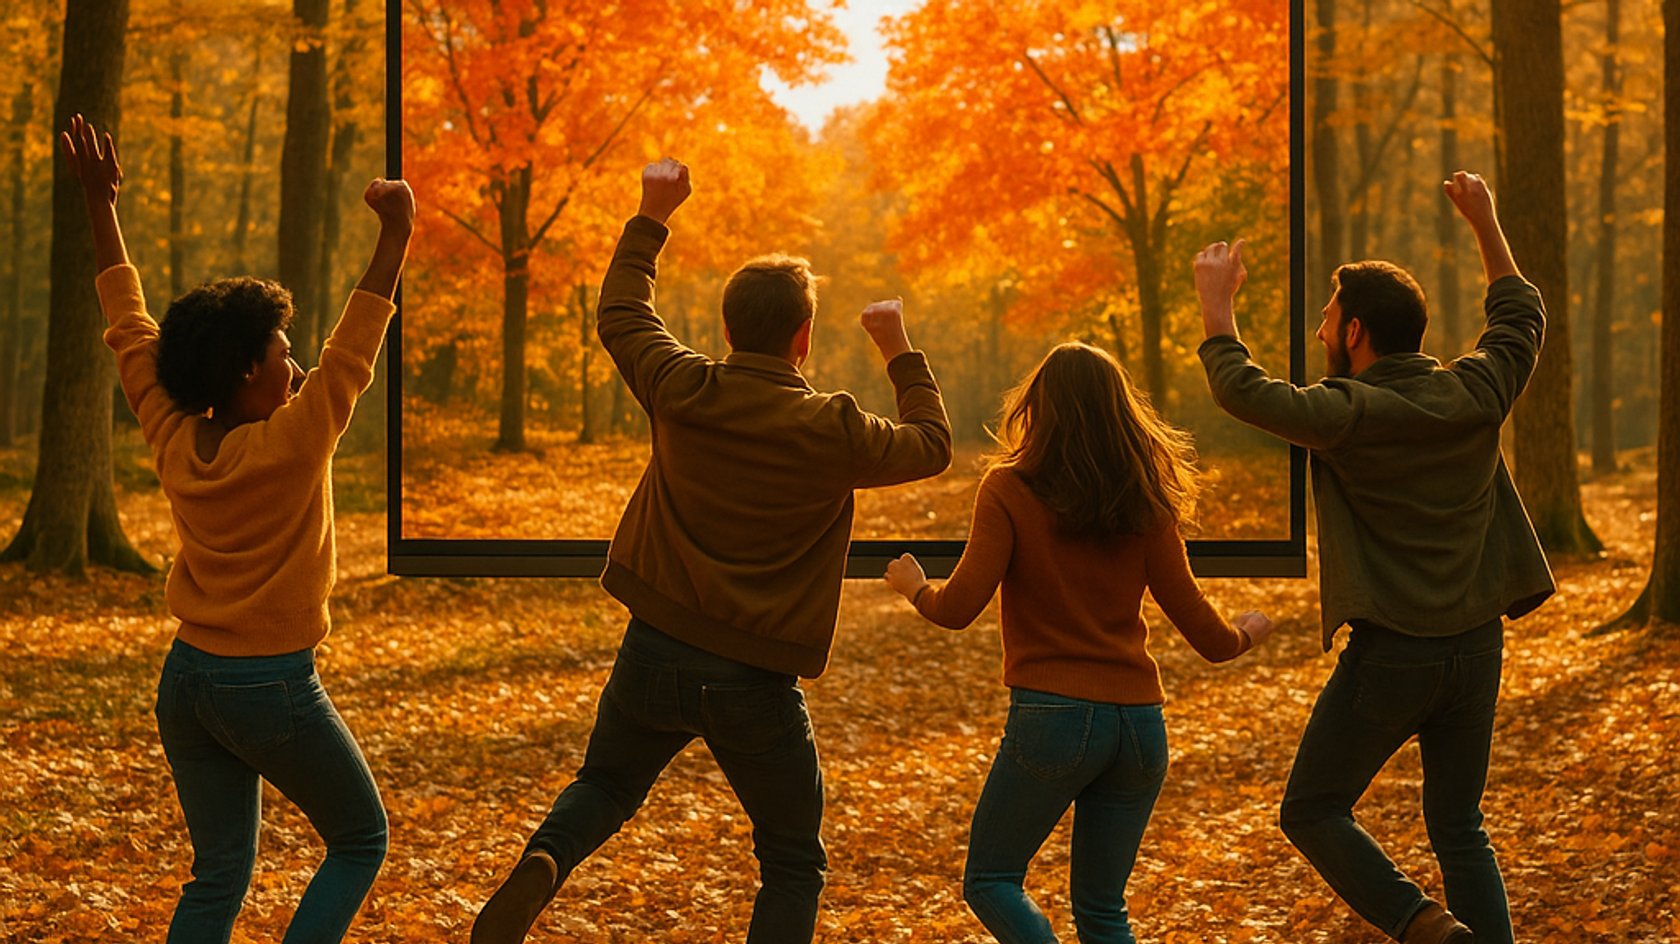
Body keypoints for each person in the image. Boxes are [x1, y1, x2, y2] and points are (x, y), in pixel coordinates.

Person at [472, 158, 953, 944]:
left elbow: (622, 313)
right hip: (756, 679)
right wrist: (897, 346)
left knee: (604, 784)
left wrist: (651, 217)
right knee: (793, 861)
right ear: (804, 337)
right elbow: (932, 444)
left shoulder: (684, 387)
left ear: (728, 328)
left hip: (653, 652)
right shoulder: (832, 428)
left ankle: (547, 861)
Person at [63, 114, 413, 943]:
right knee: (361, 840)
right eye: (287, 354)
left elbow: (128, 322)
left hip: (187, 683)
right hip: (271, 686)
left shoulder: (173, 429)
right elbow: (357, 342)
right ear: (250, 370)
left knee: (218, 876)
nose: (300, 367)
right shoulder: (297, 437)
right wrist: (396, 234)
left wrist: (98, 202)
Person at [1192, 171, 1555, 944]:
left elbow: (1242, 390)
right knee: (1460, 826)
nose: (1322, 331)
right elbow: (1521, 314)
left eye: (1327, 319)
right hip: (1477, 648)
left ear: (1355, 332)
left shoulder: (1346, 414)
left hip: (1392, 655)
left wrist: (1218, 305)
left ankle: (1420, 924)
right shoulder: (1478, 392)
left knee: (1312, 808)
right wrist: (1487, 222)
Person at [881, 341, 1274, 944]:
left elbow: (957, 609)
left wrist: (915, 588)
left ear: (1039, 407)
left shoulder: (1010, 488)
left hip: (1054, 717)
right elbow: (1208, 635)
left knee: (991, 878)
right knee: (1101, 909)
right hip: (1141, 728)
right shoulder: (1147, 497)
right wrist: (1247, 632)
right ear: (1122, 411)